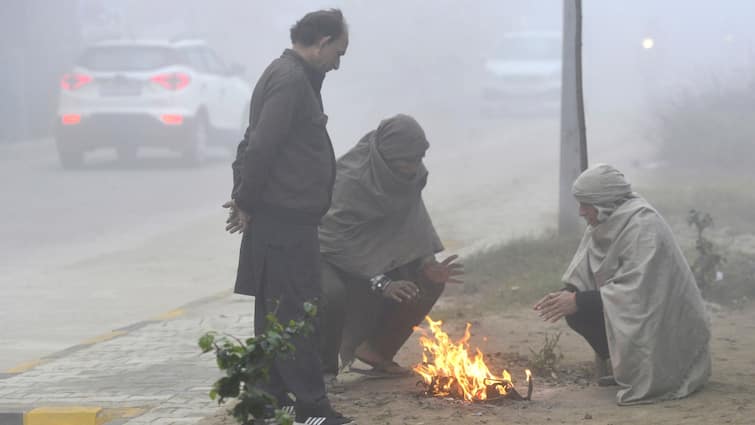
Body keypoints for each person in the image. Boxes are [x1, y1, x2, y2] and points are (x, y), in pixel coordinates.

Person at [224, 9, 351, 425]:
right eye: (338, 52)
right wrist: (245, 199)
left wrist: (244, 196)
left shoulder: (293, 77)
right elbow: (259, 145)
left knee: (278, 316)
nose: (338, 62)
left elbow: (253, 141)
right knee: (296, 317)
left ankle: (269, 402)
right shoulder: (290, 79)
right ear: (321, 42)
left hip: (286, 221)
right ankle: (311, 409)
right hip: (284, 223)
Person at [534, 163, 711, 405]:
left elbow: (639, 293)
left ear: (603, 202)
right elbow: (583, 272)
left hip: (663, 320)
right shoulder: (602, 223)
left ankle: (656, 374)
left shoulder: (643, 224)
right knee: (577, 312)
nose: (580, 212)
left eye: (585, 204)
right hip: (633, 307)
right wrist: (568, 294)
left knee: (582, 306)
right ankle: (627, 370)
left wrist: (578, 300)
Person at [317, 114, 464, 378]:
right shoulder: (349, 180)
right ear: (384, 156)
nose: (412, 168)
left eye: (417, 160)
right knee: (332, 294)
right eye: (405, 162)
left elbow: (412, 219)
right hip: (328, 255)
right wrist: (381, 282)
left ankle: (376, 349)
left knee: (426, 282)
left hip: (374, 254)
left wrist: (426, 262)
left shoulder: (411, 174)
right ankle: (322, 369)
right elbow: (333, 239)